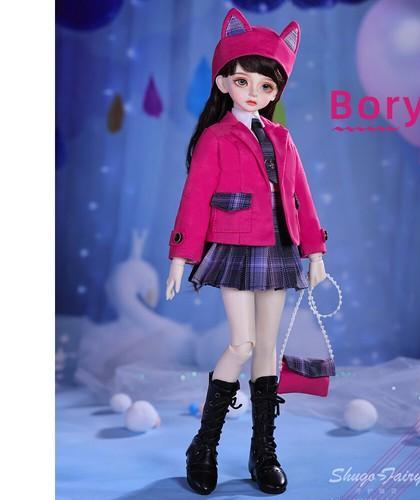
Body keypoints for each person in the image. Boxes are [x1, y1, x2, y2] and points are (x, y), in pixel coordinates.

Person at [165, 8, 328, 495]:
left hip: (277, 246)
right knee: (242, 343)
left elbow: (301, 196)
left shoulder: (282, 137)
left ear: (276, 92)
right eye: (242, 82)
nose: (253, 92)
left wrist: (315, 252)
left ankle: (263, 451)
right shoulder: (216, 137)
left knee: (266, 349)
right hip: (235, 246)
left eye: (265, 86)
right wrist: (180, 256)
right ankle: (204, 444)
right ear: (223, 83)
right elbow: (195, 197)